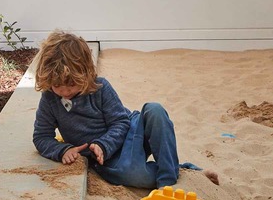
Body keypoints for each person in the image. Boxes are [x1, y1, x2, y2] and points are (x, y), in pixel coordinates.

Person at [32, 30, 192, 189]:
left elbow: (121, 122)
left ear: (85, 74)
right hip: (110, 159)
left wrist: (103, 144)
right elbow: (41, 136)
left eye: (72, 84)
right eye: (57, 85)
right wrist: (63, 150)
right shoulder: (49, 99)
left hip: (131, 132)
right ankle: (178, 170)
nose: (65, 91)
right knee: (135, 176)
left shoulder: (100, 88)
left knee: (155, 111)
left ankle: (168, 184)